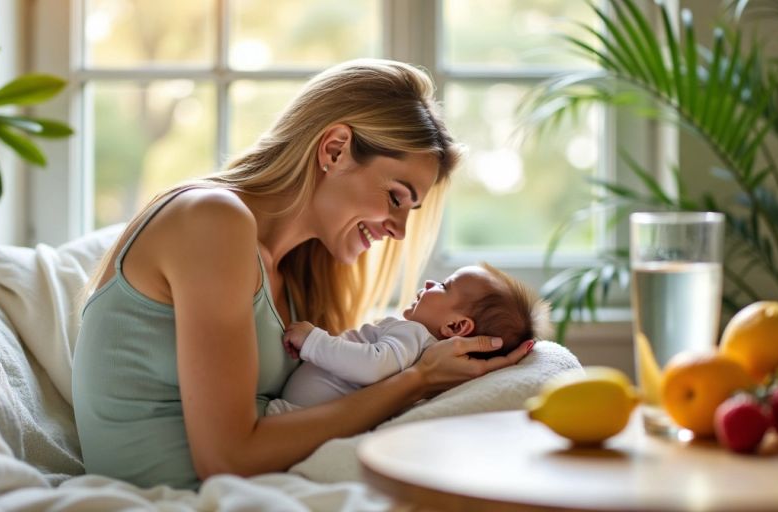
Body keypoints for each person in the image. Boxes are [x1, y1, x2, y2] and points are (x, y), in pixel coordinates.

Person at [71, 59, 534, 491]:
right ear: (334, 149)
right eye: (396, 197)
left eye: (411, 209)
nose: (398, 230)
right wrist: (417, 380)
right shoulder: (212, 220)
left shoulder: (294, 274)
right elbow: (227, 457)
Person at [267, 263, 551, 415]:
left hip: (298, 416)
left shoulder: (414, 333)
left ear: (456, 326)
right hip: (307, 416)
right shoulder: (422, 352)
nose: (429, 283)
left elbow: (372, 366)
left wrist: (314, 340)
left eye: (443, 285)